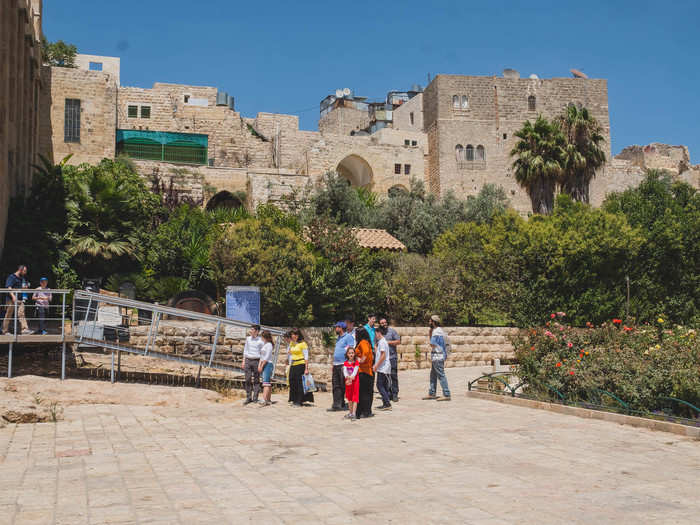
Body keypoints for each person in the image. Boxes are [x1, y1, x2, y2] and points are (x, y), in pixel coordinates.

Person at [422, 315, 451, 401]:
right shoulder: (439, 330)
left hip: (438, 356)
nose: (429, 322)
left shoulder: (436, 332)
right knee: (433, 375)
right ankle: (432, 393)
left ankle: (446, 394)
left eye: (430, 321)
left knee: (441, 375)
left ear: (433, 322)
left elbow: (432, 344)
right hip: (437, 356)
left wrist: (430, 334)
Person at [328, 321, 354, 412]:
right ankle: (336, 404)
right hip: (336, 364)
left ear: (341, 328)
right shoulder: (338, 338)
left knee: (343, 385)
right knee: (336, 385)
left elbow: (351, 351)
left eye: (337, 327)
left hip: (343, 364)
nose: (335, 329)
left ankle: (343, 403)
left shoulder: (348, 337)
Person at [2, 265, 33, 335]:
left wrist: (25, 287)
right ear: (20, 270)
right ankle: (5, 330)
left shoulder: (22, 278)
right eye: (24, 271)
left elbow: (21, 288)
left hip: (19, 299)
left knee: (21, 313)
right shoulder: (11, 277)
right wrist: (13, 296)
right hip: (11, 299)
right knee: (8, 315)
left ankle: (24, 329)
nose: (25, 272)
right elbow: (8, 287)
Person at [287, 328, 314, 406]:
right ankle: (294, 399)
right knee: (292, 382)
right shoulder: (292, 343)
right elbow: (289, 353)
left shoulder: (303, 344)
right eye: (292, 334)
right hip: (293, 364)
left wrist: (306, 368)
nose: (294, 336)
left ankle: (299, 401)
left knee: (299, 383)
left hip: (301, 364)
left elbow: (306, 357)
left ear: (298, 335)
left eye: (295, 334)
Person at [354, 327, 374, 418]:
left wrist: (360, 360)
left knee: (364, 393)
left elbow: (365, 352)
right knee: (365, 392)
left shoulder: (363, 342)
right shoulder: (365, 342)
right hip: (364, 371)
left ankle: (365, 411)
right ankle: (363, 411)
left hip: (364, 371)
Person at [379, 317, 401, 402]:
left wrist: (388, 342)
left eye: (385, 322)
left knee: (393, 376)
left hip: (392, 358)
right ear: (380, 324)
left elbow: (398, 341)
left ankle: (395, 394)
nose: (384, 324)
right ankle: (387, 394)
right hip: (383, 360)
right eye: (382, 323)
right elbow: (375, 343)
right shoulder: (379, 333)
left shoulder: (392, 331)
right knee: (385, 377)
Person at [242, 324, 264, 405]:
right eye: (250, 329)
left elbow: (262, 353)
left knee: (256, 380)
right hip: (248, 360)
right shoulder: (248, 339)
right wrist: (243, 361)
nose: (250, 331)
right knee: (247, 379)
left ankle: (255, 398)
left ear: (257, 331)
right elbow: (245, 350)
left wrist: (260, 364)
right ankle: (248, 397)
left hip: (256, 361)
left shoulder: (261, 340)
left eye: (252, 329)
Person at [373, 329, 392, 411]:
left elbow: (383, 355)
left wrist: (376, 365)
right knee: (383, 386)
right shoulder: (381, 342)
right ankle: (385, 403)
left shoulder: (383, 342)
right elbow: (379, 354)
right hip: (382, 367)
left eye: (375, 334)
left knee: (379, 385)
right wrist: (375, 348)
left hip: (383, 367)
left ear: (378, 333)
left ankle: (387, 403)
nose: (375, 336)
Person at [258, 330, 275, 406]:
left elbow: (267, 357)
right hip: (264, 363)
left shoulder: (269, 345)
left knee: (266, 383)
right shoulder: (265, 345)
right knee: (267, 382)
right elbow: (261, 357)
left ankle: (264, 399)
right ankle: (268, 399)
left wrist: (262, 365)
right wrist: (259, 365)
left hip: (267, 364)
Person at [343, 347, 360, 421]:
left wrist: (351, 377)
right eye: (349, 353)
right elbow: (345, 371)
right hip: (348, 383)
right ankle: (350, 413)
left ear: (354, 354)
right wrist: (347, 377)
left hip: (355, 382)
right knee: (349, 398)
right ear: (347, 354)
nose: (351, 354)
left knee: (355, 398)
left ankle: (354, 413)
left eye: (352, 353)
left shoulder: (356, 363)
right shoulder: (345, 363)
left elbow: (355, 371)